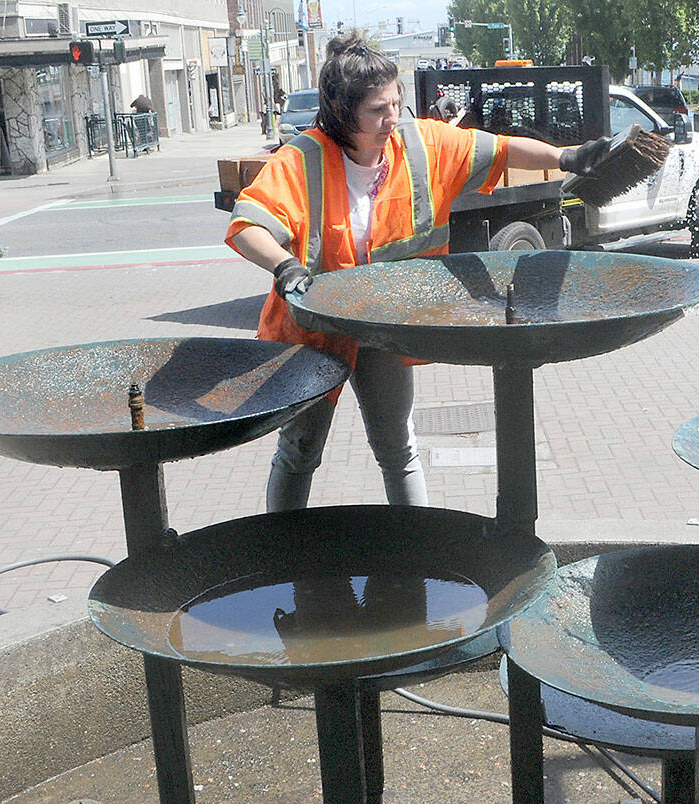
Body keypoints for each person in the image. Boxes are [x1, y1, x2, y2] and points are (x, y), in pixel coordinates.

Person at [225, 31, 610, 512]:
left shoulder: (421, 145)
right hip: (312, 332)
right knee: (300, 452)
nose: (392, 118)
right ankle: (282, 555)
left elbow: (500, 150)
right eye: (377, 110)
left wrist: (564, 157)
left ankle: (417, 554)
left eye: (396, 103)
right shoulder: (301, 160)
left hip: (384, 329)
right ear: (344, 113)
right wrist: (285, 266)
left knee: (397, 450)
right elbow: (247, 225)